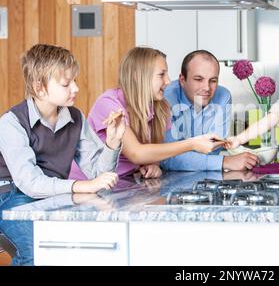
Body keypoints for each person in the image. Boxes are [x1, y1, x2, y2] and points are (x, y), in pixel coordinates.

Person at [0, 44, 126, 265]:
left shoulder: (75, 118)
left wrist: (113, 141)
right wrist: (80, 185)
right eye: (66, 84)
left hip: (51, 195)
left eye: (74, 81)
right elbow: (30, 184)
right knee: (38, 252)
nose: (75, 88)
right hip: (9, 195)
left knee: (76, 248)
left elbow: (99, 174)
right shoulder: (11, 123)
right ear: (39, 88)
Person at [69, 47, 224, 180]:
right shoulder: (109, 103)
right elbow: (137, 153)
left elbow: (160, 149)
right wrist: (192, 143)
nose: (168, 81)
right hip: (84, 185)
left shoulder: (160, 107)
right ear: (138, 76)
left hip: (119, 182)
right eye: (161, 74)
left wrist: (153, 164)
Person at [161, 50, 259, 171]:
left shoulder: (223, 96)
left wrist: (194, 160)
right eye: (198, 79)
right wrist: (225, 161)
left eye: (213, 80)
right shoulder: (165, 97)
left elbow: (213, 149)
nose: (207, 88)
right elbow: (167, 156)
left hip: (204, 176)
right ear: (182, 80)